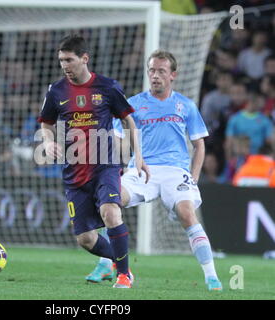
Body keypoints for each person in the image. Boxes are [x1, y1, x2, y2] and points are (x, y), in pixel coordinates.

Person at [86, 50, 223, 291]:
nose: (155, 75)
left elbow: (199, 145)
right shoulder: (134, 105)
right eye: (152, 70)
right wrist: (112, 168)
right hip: (142, 169)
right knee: (110, 201)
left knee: (187, 214)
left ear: (173, 75)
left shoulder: (186, 105)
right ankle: (107, 263)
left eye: (161, 71)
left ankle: (212, 276)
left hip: (175, 171)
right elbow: (118, 141)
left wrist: (194, 177)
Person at [37, 35, 149, 289]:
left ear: (84, 58)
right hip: (74, 172)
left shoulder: (108, 87)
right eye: (61, 60)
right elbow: (46, 123)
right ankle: (122, 264)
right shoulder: (56, 91)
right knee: (85, 239)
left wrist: (138, 157)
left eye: (69, 59)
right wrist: (47, 142)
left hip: (105, 165)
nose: (64, 65)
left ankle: (123, 276)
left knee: (110, 211)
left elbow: (128, 122)